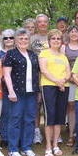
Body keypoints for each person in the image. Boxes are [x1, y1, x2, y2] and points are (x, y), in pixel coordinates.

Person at [3, 28, 40, 156]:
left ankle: (26, 147)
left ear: (29, 41)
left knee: (29, 119)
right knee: (15, 119)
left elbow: (38, 73)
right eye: (21, 39)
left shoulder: (33, 54)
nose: (23, 41)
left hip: (31, 92)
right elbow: (6, 74)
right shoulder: (11, 54)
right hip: (17, 92)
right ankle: (13, 149)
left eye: (26, 39)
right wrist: (11, 91)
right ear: (16, 41)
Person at [39, 29, 71, 156]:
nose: (56, 41)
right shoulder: (44, 53)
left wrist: (63, 80)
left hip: (63, 87)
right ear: (49, 41)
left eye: (58, 39)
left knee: (59, 117)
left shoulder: (63, 56)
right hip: (49, 86)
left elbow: (68, 72)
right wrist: (58, 81)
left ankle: (55, 145)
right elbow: (44, 71)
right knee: (50, 116)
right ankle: (48, 147)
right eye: (53, 39)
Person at [61, 26, 78, 147]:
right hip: (68, 80)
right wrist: (69, 76)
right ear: (68, 34)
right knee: (71, 107)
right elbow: (61, 63)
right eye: (72, 31)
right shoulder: (64, 47)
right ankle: (70, 135)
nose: (74, 33)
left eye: (76, 31)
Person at [30, 13, 50, 144]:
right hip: (35, 75)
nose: (42, 24)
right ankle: (37, 132)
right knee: (37, 105)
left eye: (45, 22)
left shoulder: (53, 37)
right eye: (40, 22)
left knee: (50, 105)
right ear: (37, 24)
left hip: (51, 75)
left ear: (48, 23)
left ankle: (53, 131)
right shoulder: (31, 38)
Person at [0, 29, 15, 147]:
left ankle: (15, 136)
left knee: (17, 113)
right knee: (5, 112)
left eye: (11, 37)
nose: (8, 40)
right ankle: (4, 137)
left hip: (19, 86)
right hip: (3, 87)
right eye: (6, 38)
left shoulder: (19, 52)